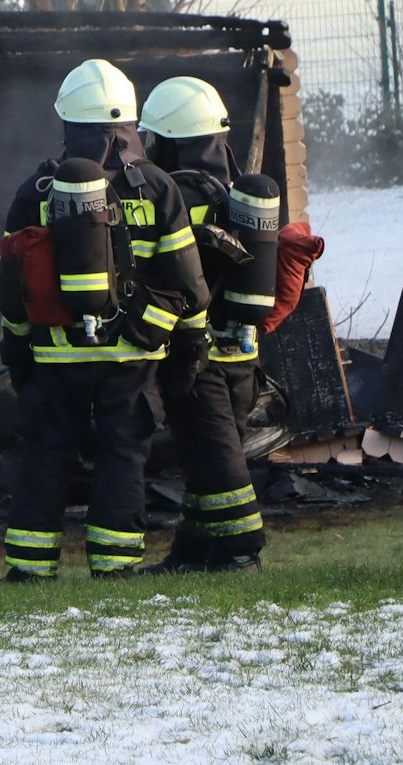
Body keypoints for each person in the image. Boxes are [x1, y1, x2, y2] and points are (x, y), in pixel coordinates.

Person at [0, 60, 207, 581]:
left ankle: (29, 568)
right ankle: (114, 567)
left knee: (46, 455)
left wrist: (18, 352)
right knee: (121, 454)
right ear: (131, 124)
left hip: (54, 353)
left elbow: (12, 288)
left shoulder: (36, 190)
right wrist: (187, 347)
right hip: (131, 356)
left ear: (68, 122)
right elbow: (188, 283)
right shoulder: (158, 188)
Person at [137, 76, 266, 573]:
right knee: (203, 453)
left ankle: (241, 550)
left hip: (202, 352)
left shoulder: (184, 194)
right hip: (242, 351)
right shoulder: (232, 186)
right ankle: (193, 551)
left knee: (216, 455)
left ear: (170, 138)